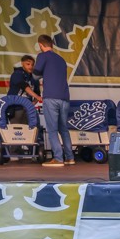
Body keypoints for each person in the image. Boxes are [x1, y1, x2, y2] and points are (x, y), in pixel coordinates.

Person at [33, 34, 74, 167]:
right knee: (64, 129)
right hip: (64, 97)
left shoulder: (42, 56)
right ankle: (70, 157)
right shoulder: (61, 60)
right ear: (51, 44)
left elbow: (35, 74)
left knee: (52, 129)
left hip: (51, 97)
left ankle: (58, 158)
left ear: (40, 45)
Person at [6, 55, 41, 125]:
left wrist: (32, 104)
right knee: (16, 131)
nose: (30, 66)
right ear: (22, 63)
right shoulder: (17, 73)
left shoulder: (34, 78)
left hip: (28, 109)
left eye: (32, 65)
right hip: (16, 108)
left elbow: (38, 93)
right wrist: (37, 97)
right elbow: (24, 86)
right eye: (28, 64)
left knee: (32, 130)